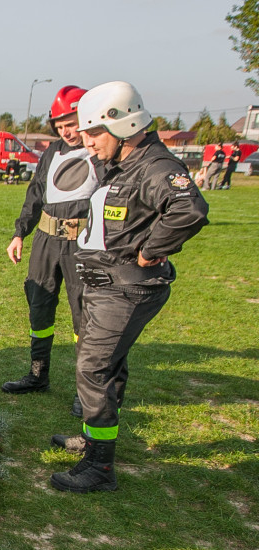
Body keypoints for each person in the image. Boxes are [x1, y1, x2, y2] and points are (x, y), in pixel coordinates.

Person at [49, 81, 208, 493]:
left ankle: (99, 467)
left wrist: (150, 250)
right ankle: (92, 439)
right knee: (105, 364)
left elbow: (189, 209)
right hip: (105, 285)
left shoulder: (155, 166)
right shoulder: (123, 162)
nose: (84, 141)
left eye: (93, 132)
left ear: (125, 126)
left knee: (93, 368)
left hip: (126, 288)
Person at [3, 86, 99, 418]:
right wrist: (19, 234)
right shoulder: (52, 152)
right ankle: (38, 375)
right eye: (60, 126)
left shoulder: (100, 152)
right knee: (39, 309)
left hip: (82, 244)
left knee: (82, 316)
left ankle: (86, 391)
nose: (66, 131)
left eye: (70, 123)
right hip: (45, 240)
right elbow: (35, 194)